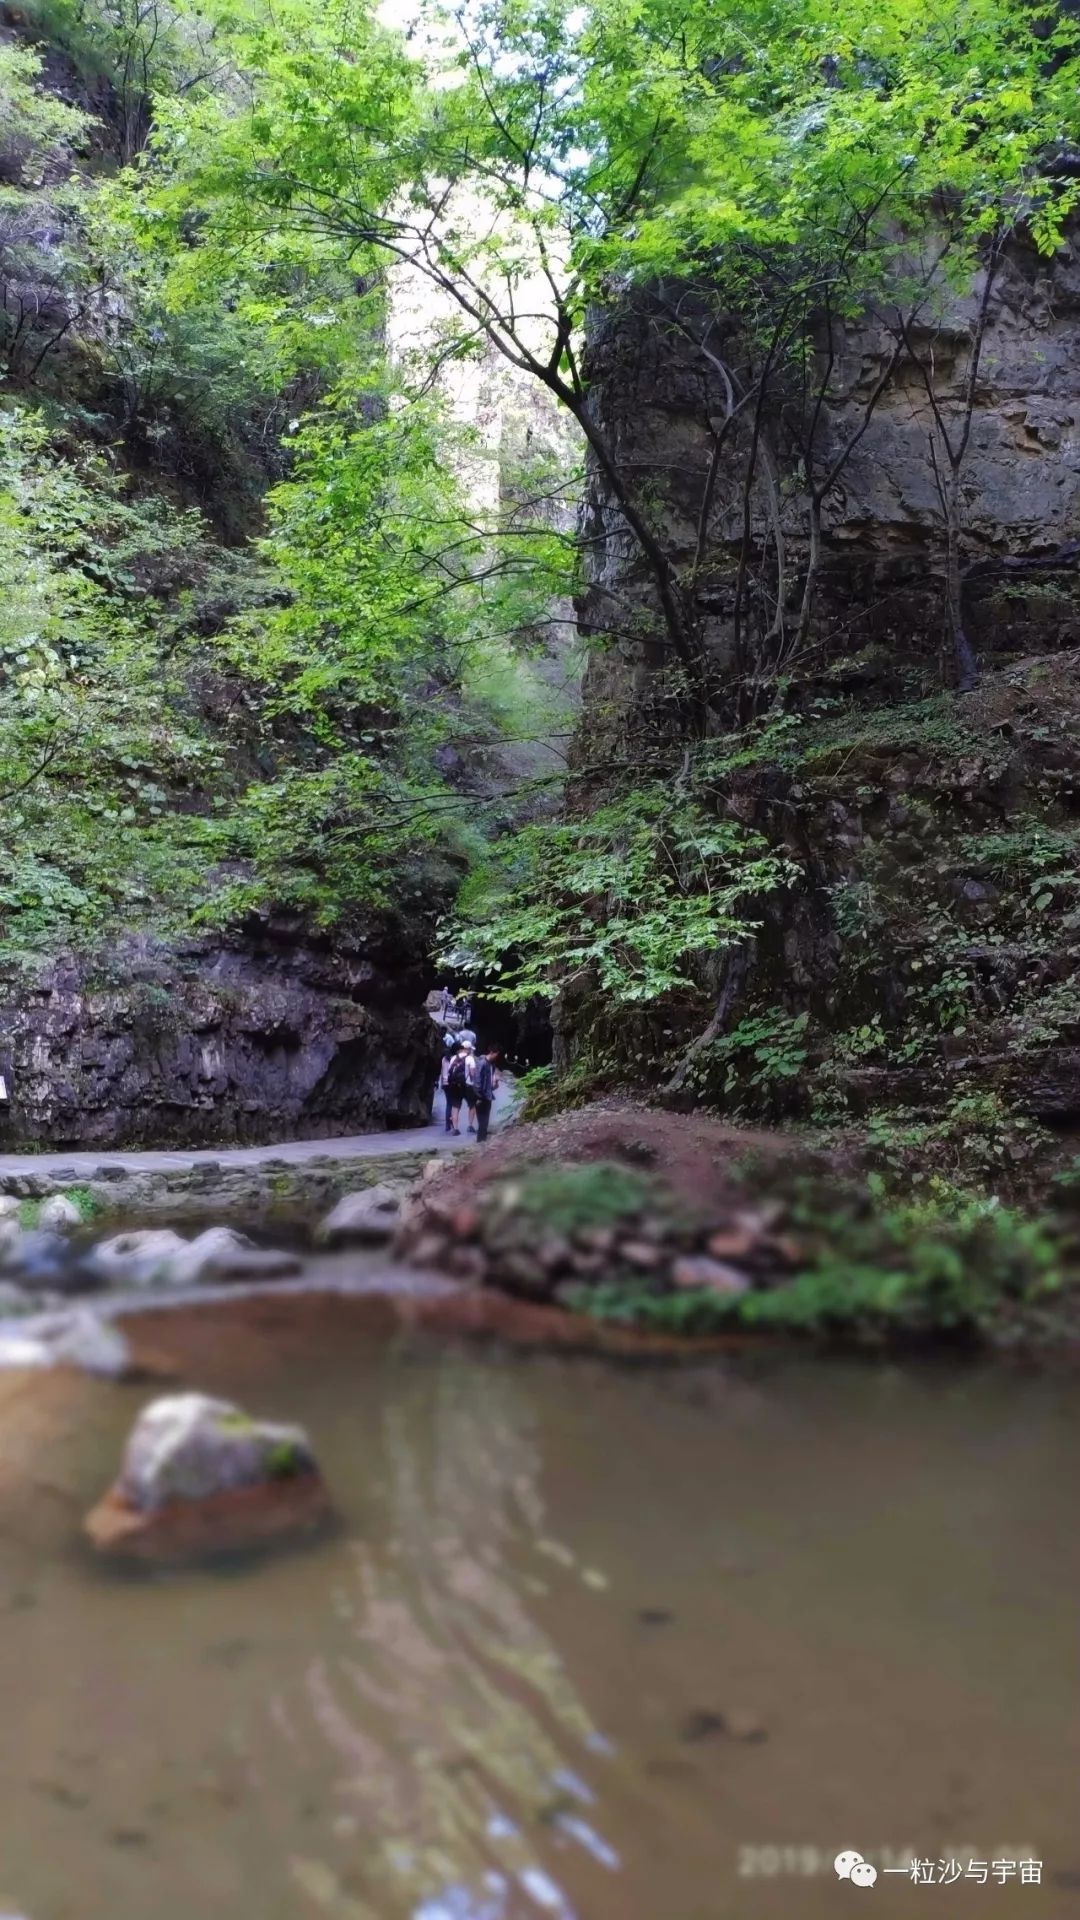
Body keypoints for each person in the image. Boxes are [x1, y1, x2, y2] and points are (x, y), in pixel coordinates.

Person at [473, 1049, 501, 1143]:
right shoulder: (482, 1063)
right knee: (482, 1122)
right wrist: (479, 1096)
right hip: (481, 1097)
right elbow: (477, 1081)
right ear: (492, 1052)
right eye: (497, 1054)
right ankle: (480, 1142)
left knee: (485, 1122)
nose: (497, 1057)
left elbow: (488, 1083)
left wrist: (495, 1084)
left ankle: (482, 1142)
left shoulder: (491, 1065)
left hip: (487, 1096)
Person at [445, 1045, 471, 1135]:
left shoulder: (453, 1058)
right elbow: (472, 1072)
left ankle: (455, 1129)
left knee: (455, 1107)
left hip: (454, 1085)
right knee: (472, 1104)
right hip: (466, 1085)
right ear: (466, 1049)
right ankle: (471, 1125)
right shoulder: (469, 1058)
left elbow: (449, 1072)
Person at [440, 1044, 463, 1133]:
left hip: (445, 1083)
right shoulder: (455, 1059)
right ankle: (453, 1123)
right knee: (455, 1104)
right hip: (453, 1083)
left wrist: (441, 1083)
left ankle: (447, 1125)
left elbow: (442, 1071)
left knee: (448, 1104)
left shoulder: (444, 1058)